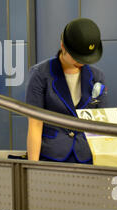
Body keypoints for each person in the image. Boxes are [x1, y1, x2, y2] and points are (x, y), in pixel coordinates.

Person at [25, 18, 107, 163]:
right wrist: (33, 167)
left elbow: (102, 123)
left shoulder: (97, 76)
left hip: (87, 155)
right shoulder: (40, 74)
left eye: (87, 58)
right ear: (63, 46)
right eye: (77, 57)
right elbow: (35, 124)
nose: (82, 62)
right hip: (52, 155)